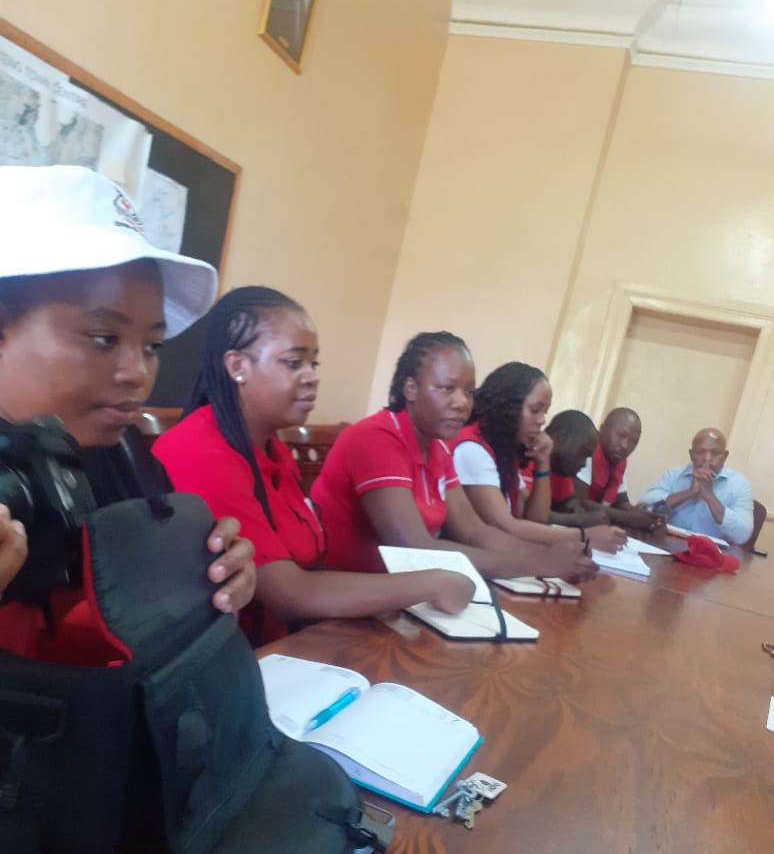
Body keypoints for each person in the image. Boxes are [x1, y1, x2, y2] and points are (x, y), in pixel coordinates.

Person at [0, 165, 257, 655]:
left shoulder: (123, 455)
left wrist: (213, 583)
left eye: (153, 346)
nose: (137, 372)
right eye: (104, 338)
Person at [152, 288, 474, 643]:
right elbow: (290, 594)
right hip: (236, 653)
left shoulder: (274, 449)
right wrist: (432, 583)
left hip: (292, 641)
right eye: (294, 363)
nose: (311, 377)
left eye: (313, 364)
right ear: (238, 366)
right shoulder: (201, 450)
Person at [311, 334, 596, 581]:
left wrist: (550, 556)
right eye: (447, 388)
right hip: (344, 598)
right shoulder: (376, 438)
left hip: (401, 591)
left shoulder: (439, 447)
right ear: (410, 389)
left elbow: (474, 531)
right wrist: (536, 563)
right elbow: (414, 548)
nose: (462, 403)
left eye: (468, 392)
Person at [453, 363, 625, 553]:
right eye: (535, 410)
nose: (542, 420)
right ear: (508, 407)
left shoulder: (503, 450)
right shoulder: (472, 448)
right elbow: (506, 526)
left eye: (545, 412)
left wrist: (543, 462)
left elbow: (535, 519)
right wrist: (584, 535)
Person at [640, 427, 753, 545]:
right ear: (691, 455)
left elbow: (742, 535)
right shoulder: (673, 475)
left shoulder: (740, 484)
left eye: (715, 453)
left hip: (709, 552)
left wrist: (709, 496)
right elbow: (644, 507)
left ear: (725, 456)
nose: (707, 459)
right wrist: (689, 493)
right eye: (700, 452)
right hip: (667, 544)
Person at [574, 407, 662, 530]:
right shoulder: (587, 450)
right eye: (621, 435)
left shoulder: (618, 460)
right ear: (602, 430)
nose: (626, 445)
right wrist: (628, 517)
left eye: (634, 441)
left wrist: (639, 513)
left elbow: (621, 502)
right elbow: (579, 503)